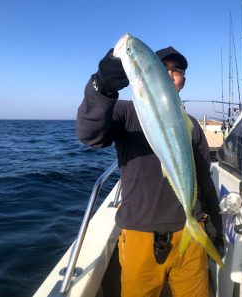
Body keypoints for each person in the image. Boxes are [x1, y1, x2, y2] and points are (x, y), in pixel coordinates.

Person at [76, 46, 224, 297]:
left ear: (182, 82)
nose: (169, 74)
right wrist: (102, 86)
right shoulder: (126, 113)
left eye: (176, 71)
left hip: (189, 237)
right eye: (161, 68)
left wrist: (216, 226)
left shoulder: (192, 128)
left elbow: (204, 181)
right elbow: (90, 135)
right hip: (139, 237)